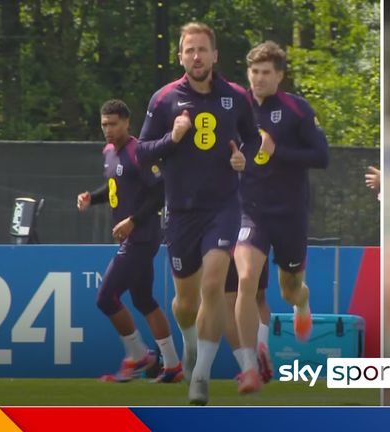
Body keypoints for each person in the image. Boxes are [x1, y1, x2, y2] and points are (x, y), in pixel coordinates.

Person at [136, 22, 258, 405]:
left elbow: (254, 141)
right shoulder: (164, 100)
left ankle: (200, 376)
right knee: (186, 302)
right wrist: (172, 137)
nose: (197, 56)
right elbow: (141, 152)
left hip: (223, 207)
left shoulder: (235, 97)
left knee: (214, 286)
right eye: (190, 50)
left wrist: (245, 159)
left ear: (215, 55)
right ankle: (190, 344)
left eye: (203, 49)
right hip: (181, 213)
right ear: (180, 56)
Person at [234, 41, 329, 375]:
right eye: (254, 72)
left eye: (265, 73)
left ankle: (301, 301)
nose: (258, 79)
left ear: (279, 76)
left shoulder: (297, 109)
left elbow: (321, 157)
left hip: (289, 214)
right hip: (250, 211)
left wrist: (278, 152)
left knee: (288, 290)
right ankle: (254, 358)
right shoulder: (235, 107)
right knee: (247, 281)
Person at [77, 99, 183, 383]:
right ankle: (172, 366)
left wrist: (133, 220)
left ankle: (139, 356)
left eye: (113, 124)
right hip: (132, 237)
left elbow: (161, 191)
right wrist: (93, 197)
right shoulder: (110, 152)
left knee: (106, 298)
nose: (108, 130)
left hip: (142, 236)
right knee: (143, 299)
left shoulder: (139, 153)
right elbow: (115, 184)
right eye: (104, 124)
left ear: (127, 123)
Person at [223, 259, 274, 384]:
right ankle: (262, 344)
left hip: (224, 244)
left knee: (228, 305)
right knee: (259, 299)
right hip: (253, 244)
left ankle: (248, 368)